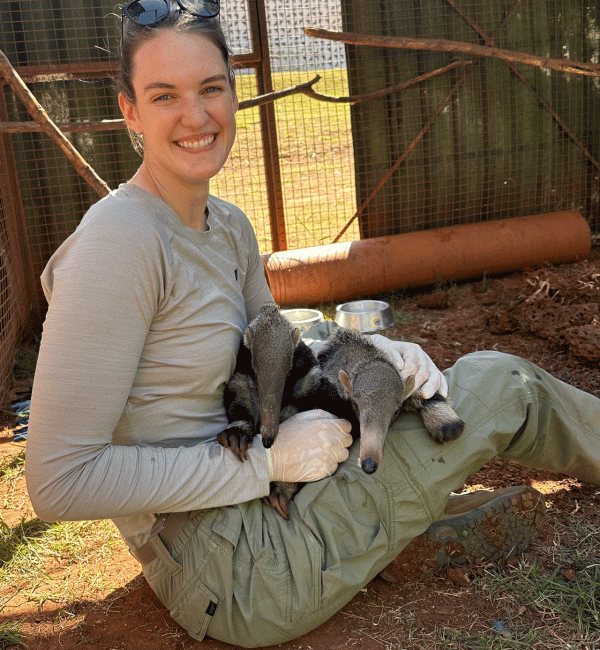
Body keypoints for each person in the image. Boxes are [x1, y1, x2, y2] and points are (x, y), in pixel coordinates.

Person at [25, 1, 599, 647]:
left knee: (420, 394)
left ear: (233, 95)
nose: (195, 115)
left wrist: (364, 350)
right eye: (165, 96)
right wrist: (261, 468)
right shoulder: (119, 241)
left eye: (211, 88)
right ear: (130, 110)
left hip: (268, 502)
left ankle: (422, 519)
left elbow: (274, 353)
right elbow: (58, 481)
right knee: (502, 383)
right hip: (238, 562)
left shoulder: (228, 226)